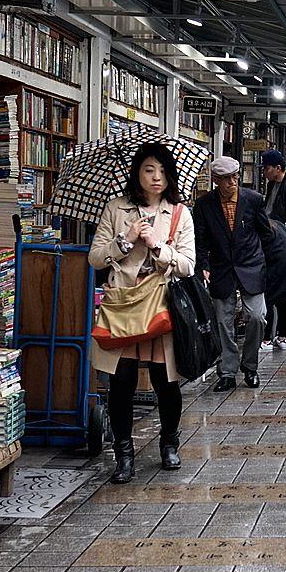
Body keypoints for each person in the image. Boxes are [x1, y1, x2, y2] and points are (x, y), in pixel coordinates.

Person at [88, 143, 197, 483]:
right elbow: (94, 258)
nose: (156, 177)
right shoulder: (115, 209)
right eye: (149, 169)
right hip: (122, 307)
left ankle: (169, 442)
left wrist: (157, 247)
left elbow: (188, 265)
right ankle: (124, 453)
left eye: (163, 171)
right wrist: (126, 240)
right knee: (121, 382)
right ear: (137, 172)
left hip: (161, 305)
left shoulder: (179, 213)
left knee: (167, 382)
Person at [193, 155, 273, 391]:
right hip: (221, 268)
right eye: (226, 178)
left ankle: (250, 366)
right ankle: (227, 371)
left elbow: (265, 233)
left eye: (235, 177)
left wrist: (263, 261)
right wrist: (203, 265)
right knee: (222, 322)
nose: (232, 182)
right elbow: (201, 239)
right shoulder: (205, 204)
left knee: (257, 317)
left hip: (251, 266)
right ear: (216, 180)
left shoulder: (253, 200)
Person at [260, 149, 286, 351]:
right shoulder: (271, 184)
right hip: (269, 239)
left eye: (267, 167)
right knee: (275, 290)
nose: (265, 171)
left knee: (276, 290)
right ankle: (276, 335)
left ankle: (277, 335)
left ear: (278, 168)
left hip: (280, 244)